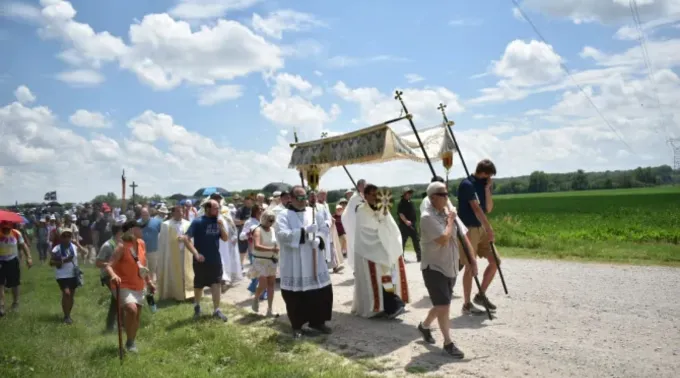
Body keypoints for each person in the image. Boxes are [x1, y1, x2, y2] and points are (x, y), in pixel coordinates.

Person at [418, 181, 477, 358]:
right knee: (444, 305)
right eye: (443, 195)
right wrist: (450, 220)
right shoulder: (427, 217)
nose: (447, 197)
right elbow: (443, 238)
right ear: (433, 197)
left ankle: (424, 325)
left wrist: (472, 260)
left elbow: (463, 236)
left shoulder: (448, 212)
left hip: (450, 265)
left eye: (447, 194)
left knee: (442, 303)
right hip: (434, 267)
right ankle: (448, 343)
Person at [276, 185, 333, 339]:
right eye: (299, 198)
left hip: (314, 258)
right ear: (291, 198)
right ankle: (297, 326)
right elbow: (282, 235)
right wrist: (303, 232)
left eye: (304, 197)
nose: (302, 201)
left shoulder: (313, 211)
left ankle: (318, 322)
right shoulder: (283, 215)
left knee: (320, 292)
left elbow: (324, 228)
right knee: (296, 296)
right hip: (294, 262)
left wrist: (319, 238)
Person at [351, 184, 409, 319]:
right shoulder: (361, 210)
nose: (374, 197)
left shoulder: (382, 208)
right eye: (371, 194)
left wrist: (383, 215)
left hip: (383, 247)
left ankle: (392, 304)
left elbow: (390, 226)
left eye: (376, 194)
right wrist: (379, 218)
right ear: (365, 196)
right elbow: (368, 228)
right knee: (376, 278)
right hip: (368, 250)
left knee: (386, 276)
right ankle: (387, 306)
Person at [105, 220, 155, 353]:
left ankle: (130, 342)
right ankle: (128, 338)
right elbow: (109, 265)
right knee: (131, 310)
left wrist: (149, 282)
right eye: (140, 228)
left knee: (136, 316)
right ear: (131, 230)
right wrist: (114, 276)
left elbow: (143, 266)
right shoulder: (121, 247)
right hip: (123, 284)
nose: (142, 231)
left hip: (139, 284)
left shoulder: (142, 244)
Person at [458, 159, 499, 315]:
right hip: (468, 229)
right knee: (470, 267)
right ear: (483, 173)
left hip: (480, 228)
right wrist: (489, 229)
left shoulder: (483, 184)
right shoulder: (466, 185)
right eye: (488, 176)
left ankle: (481, 295)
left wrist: (488, 188)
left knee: (495, 261)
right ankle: (467, 304)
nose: (488, 179)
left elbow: (487, 208)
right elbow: (476, 208)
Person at [182, 199, 229, 322]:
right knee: (199, 285)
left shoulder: (218, 221)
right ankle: (197, 305)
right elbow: (186, 239)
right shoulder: (198, 222)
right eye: (215, 208)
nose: (217, 210)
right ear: (207, 209)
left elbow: (225, 238)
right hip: (201, 260)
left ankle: (216, 310)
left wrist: (221, 226)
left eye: (218, 208)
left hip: (215, 259)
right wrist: (196, 253)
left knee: (216, 283)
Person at [157, 205, 194, 301]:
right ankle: (174, 293)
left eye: (181, 211)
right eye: (177, 211)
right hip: (171, 254)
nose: (180, 213)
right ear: (173, 213)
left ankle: (188, 293)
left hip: (185, 253)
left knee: (186, 273)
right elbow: (162, 242)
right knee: (173, 273)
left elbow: (192, 238)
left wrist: (185, 238)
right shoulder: (166, 225)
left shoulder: (188, 224)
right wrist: (175, 239)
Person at [249, 210, 279, 316]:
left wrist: (276, 250)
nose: (271, 222)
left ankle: (270, 309)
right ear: (264, 219)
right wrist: (272, 249)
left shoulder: (272, 230)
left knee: (271, 285)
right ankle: (256, 297)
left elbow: (275, 242)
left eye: (273, 220)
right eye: (269, 220)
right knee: (263, 283)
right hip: (260, 260)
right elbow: (257, 246)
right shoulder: (258, 230)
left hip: (271, 260)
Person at [95, 221, 123, 332]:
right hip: (108, 276)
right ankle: (112, 326)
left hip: (119, 274)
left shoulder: (122, 244)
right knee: (117, 298)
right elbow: (97, 263)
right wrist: (110, 265)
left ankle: (116, 324)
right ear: (119, 232)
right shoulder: (107, 245)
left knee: (117, 299)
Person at [0, 221, 32, 316]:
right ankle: (1, 306)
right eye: (4, 227)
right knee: (0, 283)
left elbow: (23, 246)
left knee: (15, 283)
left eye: (8, 227)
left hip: (12, 260)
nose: (6, 229)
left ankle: (15, 303)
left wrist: (29, 257)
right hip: (0, 261)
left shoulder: (16, 233)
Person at [49, 227, 80, 324]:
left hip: (73, 274)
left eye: (69, 236)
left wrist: (78, 243)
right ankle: (66, 316)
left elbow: (85, 252)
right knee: (67, 293)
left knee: (71, 296)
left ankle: (68, 315)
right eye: (64, 236)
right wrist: (63, 260)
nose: (67, 238)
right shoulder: (57, 248)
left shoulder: (74, 247)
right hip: (62, 275)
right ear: (61, 237)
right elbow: (51, 262)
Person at [139, 207, 161, 312]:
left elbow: (163, 234)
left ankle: (150, 294)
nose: (144, 216)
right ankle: (143, 295)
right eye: (143, 214)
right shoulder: (137, 224)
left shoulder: (157, 222)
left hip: (153, 251)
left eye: (146, 214)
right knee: (143, 273)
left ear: (149, 214)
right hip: (141, 253)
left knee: (151, 273)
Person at [340, 179, 366, 269]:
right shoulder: (354, 199)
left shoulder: (365, 196)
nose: (365, 188)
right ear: (358, 186)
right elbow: (348, 214)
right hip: (356, 227)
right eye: (363, 186)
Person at [398, 188, 422, 262]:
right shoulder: (401, 203)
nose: (410, 194)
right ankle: (401, 258)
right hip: (404, 226)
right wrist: (406, 221)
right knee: (403, 242)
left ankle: (419, 257)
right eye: (409, 193)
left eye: (411, 193)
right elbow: (401, 214)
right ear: (404, 194)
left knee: (416, 240)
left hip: (412, 225)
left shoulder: (410, 202)